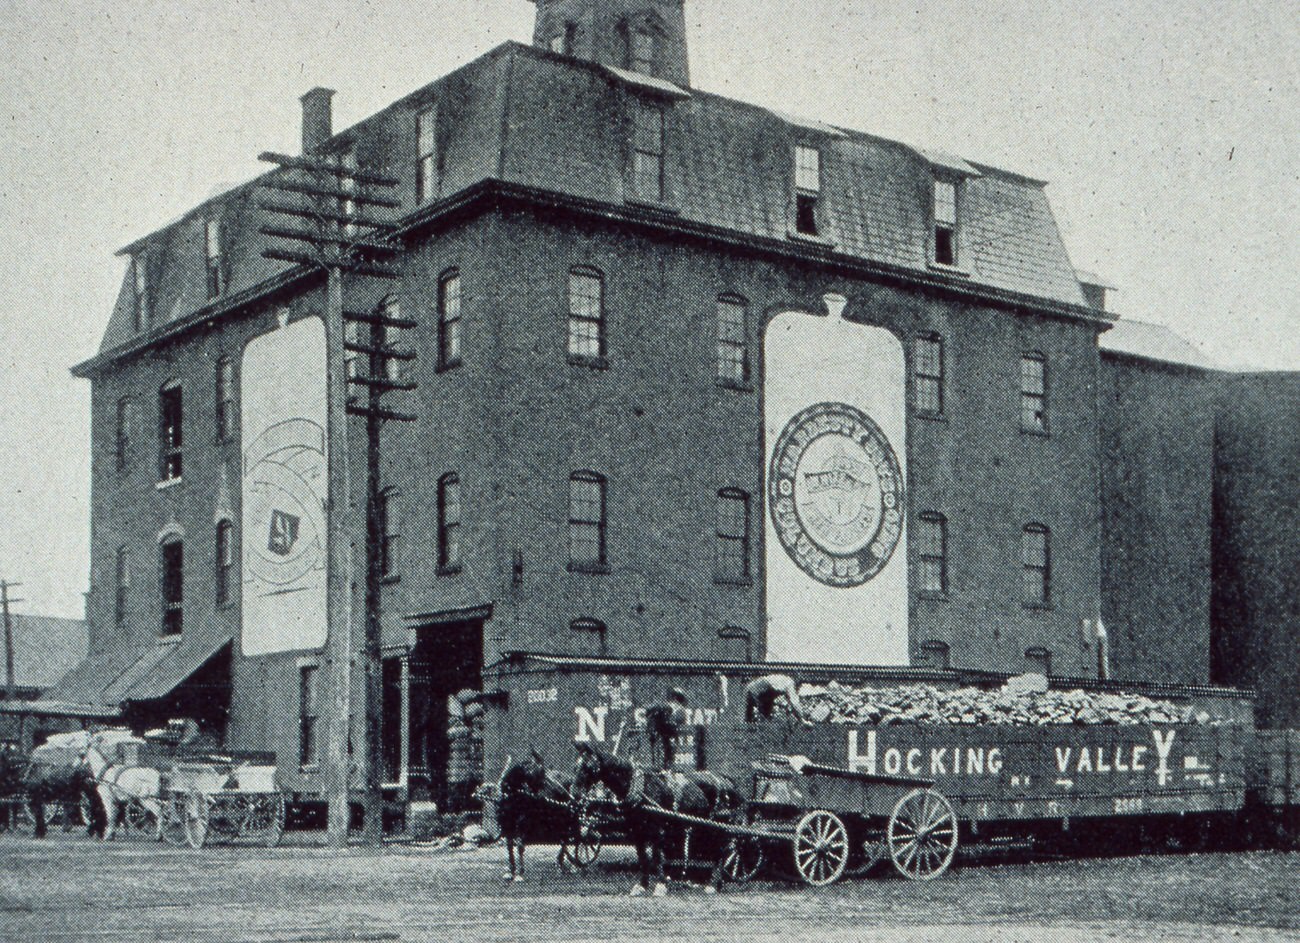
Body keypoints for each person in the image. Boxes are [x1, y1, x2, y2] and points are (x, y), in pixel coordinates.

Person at [644, 686, 689, 769]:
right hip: (665, 736)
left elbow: (678, 722)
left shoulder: (677, 709)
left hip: (670, 736)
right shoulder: (668, 708)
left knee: (666, 753)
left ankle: (663, 765)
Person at [744, 674, 811, 724]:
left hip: (754, 687)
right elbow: (794, 703)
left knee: (753, 720)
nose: (800, 687)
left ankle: (753, 726)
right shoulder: (790, 683)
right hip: (760, 689)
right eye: (800, 685)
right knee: (763, 718)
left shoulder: (784, 680)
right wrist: (802, 720)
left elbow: (789, 701)